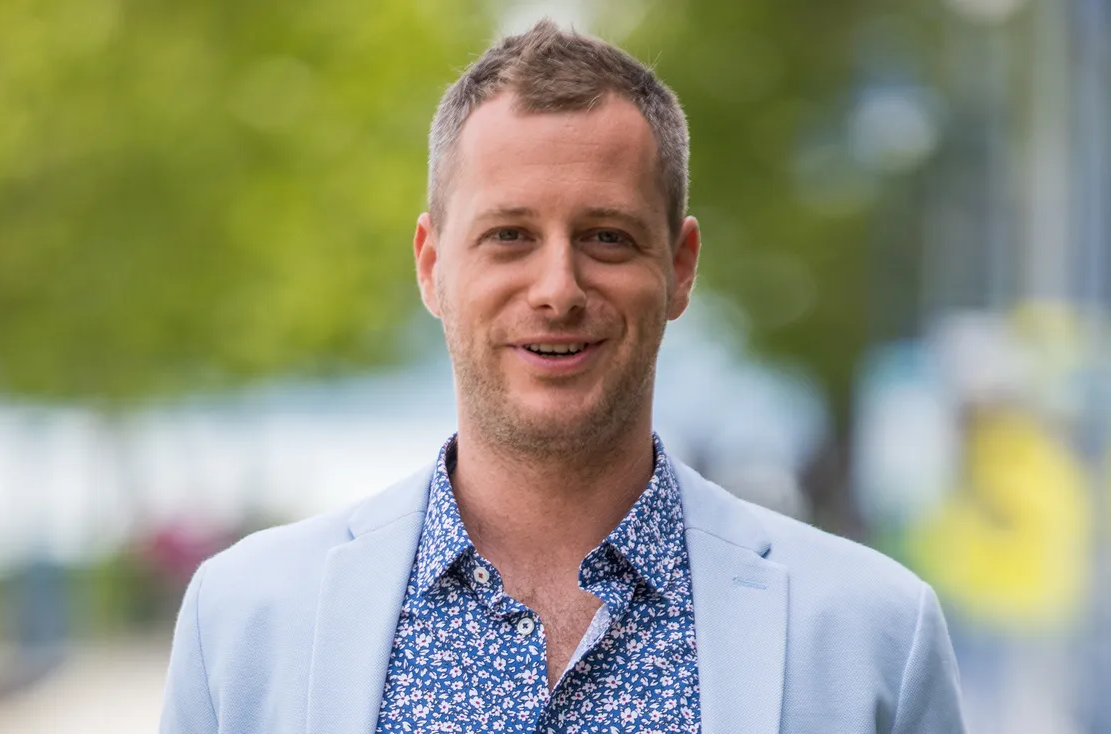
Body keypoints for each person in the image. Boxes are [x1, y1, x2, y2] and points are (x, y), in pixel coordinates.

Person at [159, 19, 966, 734]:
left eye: (606, 237)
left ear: (680, 267)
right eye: (509, 236)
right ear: (432, 267)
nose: (557, 289)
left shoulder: (873, 635)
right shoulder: (244, 623)